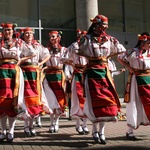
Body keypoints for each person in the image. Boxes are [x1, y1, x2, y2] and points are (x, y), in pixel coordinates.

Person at [76, 14, 126, 144]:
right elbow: (76, 50)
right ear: (95, 25)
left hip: (105, 72)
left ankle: (102, 132)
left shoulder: (110, 39)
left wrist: (108, 56)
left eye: (104, 26)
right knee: (94, 102)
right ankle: (94, 129)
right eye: (101, 25)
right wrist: (88, 56)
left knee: (107, 101)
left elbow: (121, 50)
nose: (103, 28)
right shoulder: (87, 38)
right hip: (92, 71)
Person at [0, 23, 36, 143]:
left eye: (9, 30)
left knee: (13, 101)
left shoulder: (19, 42)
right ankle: (3, 131)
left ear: (13, 30)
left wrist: (20, 59)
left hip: (14, 73)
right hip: (2, 73)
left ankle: (11, 131)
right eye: (6, 30)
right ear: (3, 31)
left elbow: (32, 52)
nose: (8, 32)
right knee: (2, 101)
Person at [117, 32, 150, 140]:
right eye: (148, 43)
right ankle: (130, 131)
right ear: (142, 42)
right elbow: (120, 57)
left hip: (148, 80)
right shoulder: (133, 51)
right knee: (134, 103)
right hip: (136, 80)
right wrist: (129, 68)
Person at [19, 27, 50, 136]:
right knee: (26, 98)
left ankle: (32, 126)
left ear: (33, 35)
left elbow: (47, 55)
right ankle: (26, 126)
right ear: (23, 35)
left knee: (35, 99)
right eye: (26, 33)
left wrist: (41, 64)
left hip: (35, 74)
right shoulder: (20, 44)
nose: (28, 35)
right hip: (24, 73)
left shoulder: (37, 45)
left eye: (30, 33)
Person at [62, 30, 90, 135]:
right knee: (76, 98)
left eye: (84, 36)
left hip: (87, 73)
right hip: (77, 73)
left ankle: (85, 124)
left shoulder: (89, 46)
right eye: (80, 35)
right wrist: (72, 65)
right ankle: (78, 124)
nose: (82, 37)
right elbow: (63, 58)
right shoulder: (73, 46)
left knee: (86, 98)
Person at [42, 30, 67, 133]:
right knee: (50, 100)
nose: (52, 39)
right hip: (48, 76)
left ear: (59, 38)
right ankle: (51, 122)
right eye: (51, 37)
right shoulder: (45, 50)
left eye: (54, 37)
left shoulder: (64, 50)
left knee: (59, 100)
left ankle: (56, 122)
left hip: (59, 76)